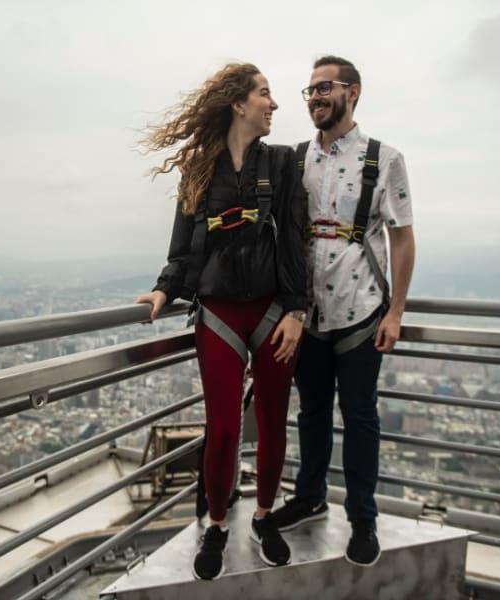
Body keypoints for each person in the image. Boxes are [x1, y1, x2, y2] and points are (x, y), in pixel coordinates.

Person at [135, 62, 308, 580]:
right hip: (219, 312)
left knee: (274, 420)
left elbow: (295, 239)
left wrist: (298, 309)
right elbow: (185, 244)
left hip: (274, 312)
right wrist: (166, 289)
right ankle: (217, 523)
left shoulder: (281, 164)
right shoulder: (200, 170)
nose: (274, 105)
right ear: (239, 104)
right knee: (224, 430)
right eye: (265, 94)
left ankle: (262, 516)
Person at [270, 56, 415, 567]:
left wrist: (396, 311)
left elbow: (401, 238)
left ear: (353, 92)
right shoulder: (294, 160)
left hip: (361, 310)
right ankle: (310, 497)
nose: (314, 97)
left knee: (359, 417)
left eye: (324, 87)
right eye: (308, 90)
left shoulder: (384, 159)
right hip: (307, 314)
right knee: (310, 413)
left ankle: (362, 518)